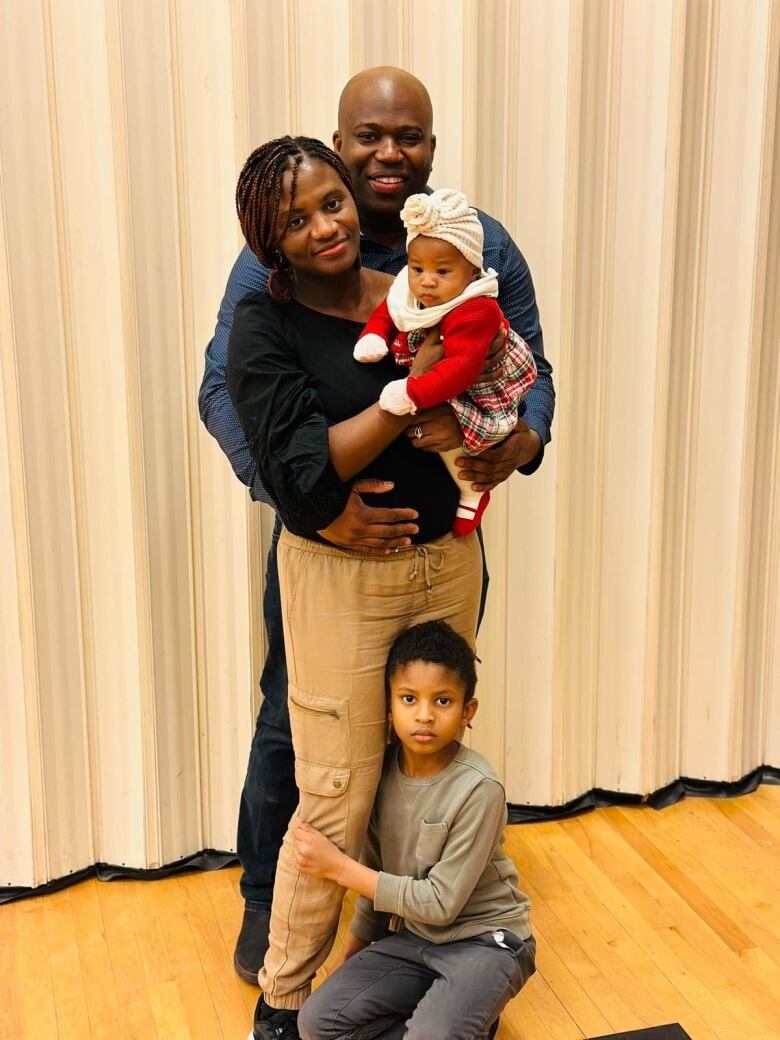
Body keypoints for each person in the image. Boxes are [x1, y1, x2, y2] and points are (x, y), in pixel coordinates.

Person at [197, 66, 555, 985]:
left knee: (420, 724)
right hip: (333, 559)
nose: (389, 154)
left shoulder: (478, 241)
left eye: (410, 137)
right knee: (302, 731)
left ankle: (389, 914)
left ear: (432, 147)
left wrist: (516, 442)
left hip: (445, 546)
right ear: (340, 141)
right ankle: (266, 903)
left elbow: (528, 367)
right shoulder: (279, 249)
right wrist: (310, 506)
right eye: (369, 137)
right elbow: (226, 389)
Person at [228, 135, 485, 1040]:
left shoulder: (417, 288)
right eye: (293, 220)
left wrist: (480, 423)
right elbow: (301, 469)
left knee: (422, 773)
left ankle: (387, 974)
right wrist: (404, 401)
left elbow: (491, 378)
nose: (323, 227)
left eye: (330, 203)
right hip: (342, 581)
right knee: (335, 792)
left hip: (447, 564)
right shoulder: (264, 325)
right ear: (267, 240)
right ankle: (283, 1002)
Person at [293, 620, 536, 1040]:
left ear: (467, 711)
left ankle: (460, 1015)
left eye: (443, 701)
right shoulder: (379, 772)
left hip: (485, 942)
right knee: (316, 1022)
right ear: (389, 706)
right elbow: (378, 868)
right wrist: (356, 952)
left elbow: (441, 904)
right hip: (415, 941)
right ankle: (462, 1019)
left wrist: (337, 868)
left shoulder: (480, 788)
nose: (424, 714)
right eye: (409, 699)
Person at [354, 188, 537, 536]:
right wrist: (375, 335)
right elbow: (392, 308)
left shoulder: (475, 309)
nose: (426, 280)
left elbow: (461, 371)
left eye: (442, 271)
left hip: (479, 383)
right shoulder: (417, 288)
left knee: (454, 433)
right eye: (417, 267)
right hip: (439, 374)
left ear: (471, 272)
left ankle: (472, 490)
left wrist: (413, 392)